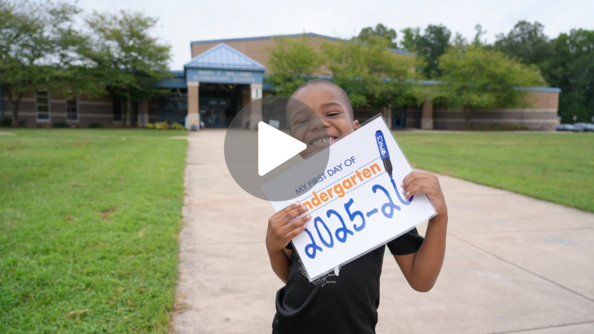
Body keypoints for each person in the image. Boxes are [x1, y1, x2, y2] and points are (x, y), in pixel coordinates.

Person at [266, 79, 448, 334]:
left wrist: (439, 218)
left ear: (356, 128)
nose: (319, 124)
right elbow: (293, 276)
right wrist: (273, 249)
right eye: (302, 121)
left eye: (331, 113)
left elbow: (421, 280)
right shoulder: (296, 196)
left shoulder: (385, 196)